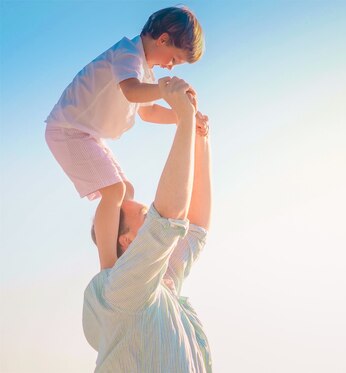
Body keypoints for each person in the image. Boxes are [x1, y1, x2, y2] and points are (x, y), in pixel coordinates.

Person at [45, 6, 208, 270]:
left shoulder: (144, 69)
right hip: (67, 131)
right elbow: (132, 91)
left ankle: (122, 251)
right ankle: (108, 266)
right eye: (174, 59)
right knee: (115, 191)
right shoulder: (127, 54)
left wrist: (184, 114)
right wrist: (166, 90)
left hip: (87, 134)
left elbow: (149, 112)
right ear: (163, 39)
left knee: (126, 194)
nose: (169, 66)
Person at [83, 76, 213, 372]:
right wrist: (183, 118)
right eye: (144, 214)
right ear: (126, 241)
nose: (151, 213)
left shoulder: (157, 286)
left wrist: (199, 137)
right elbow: (168, 217)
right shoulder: (125, 289)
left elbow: (195, 230)